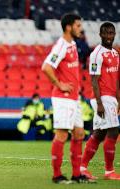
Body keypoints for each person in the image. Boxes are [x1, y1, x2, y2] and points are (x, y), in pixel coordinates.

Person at [42, 13, 94, 184]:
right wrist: (60, 84)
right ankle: (57, 175)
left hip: (74, 98)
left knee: (79, 133)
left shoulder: (72, 44)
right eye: (78, 25)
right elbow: (47, 67)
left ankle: (76, 174)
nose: (81, 28)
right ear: (69, 27)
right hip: (63, 98)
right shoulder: (61, 45)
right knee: (62, 135)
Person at [80, 22, 120, 180]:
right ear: (100, 35)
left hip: (112, 98)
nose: (109, 36)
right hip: (102, 97)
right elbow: (94, 80)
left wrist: (118, 98)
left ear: (114, 34)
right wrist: (99, 103)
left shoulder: (116, 54)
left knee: (100, 133)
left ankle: (82, 168)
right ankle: (109, 171)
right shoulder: (97, 53)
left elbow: (116, 79)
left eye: (111, 33)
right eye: (106, 33)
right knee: (114, 130)